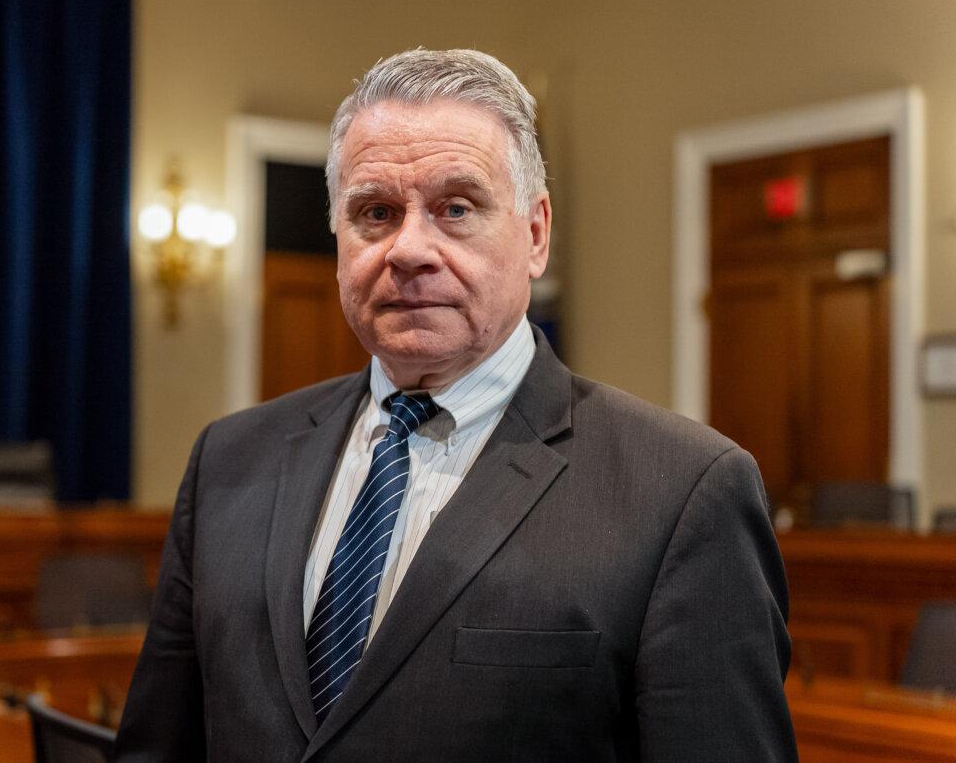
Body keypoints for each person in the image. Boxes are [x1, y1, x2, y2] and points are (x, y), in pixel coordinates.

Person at [114, 48, 796, 762]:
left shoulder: (683, 493)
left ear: (535, 234)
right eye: (375, 212)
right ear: (340, 240)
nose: (409, 249)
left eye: (457, 208)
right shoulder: (229, 460)